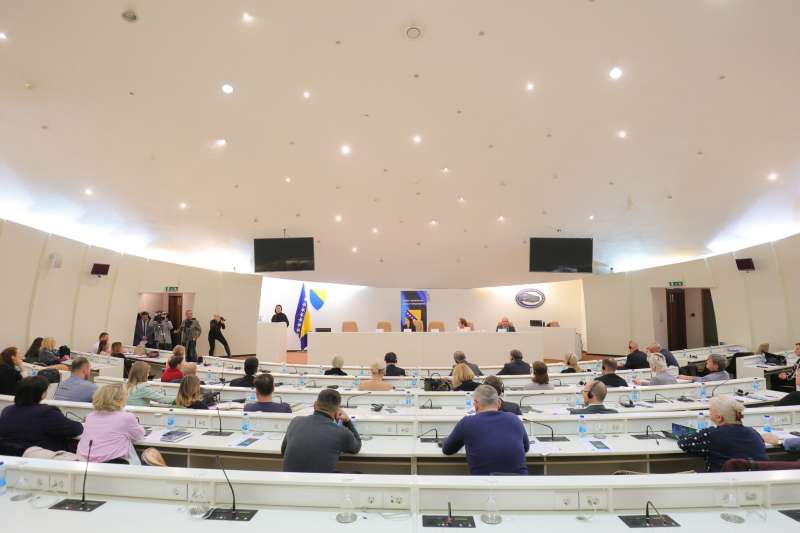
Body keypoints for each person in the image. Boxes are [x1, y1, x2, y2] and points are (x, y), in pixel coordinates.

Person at [441, 385, 530, 475]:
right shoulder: (514, 418)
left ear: (475, 404)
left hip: (485, 482)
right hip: (520, 481)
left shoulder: (467, 423)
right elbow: (526, 448)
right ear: (499, 403)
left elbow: (447, 450)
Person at [677, 395, 768, 472]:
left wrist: (690, 433)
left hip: (723, 482)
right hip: (755, 481)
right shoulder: (753, 432)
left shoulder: (711, 434)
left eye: (710, 410)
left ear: (719, 418)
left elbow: (683, 443)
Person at [281, 388, 361, 473]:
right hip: (320, 481)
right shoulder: (341, 432)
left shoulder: (295, 421)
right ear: (337, 410)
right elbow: (356, 447)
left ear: (315, 404)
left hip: (289, 479)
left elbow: (283, 452)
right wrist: (348, 421)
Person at [0, 376, 83, 453]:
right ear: (42, 394)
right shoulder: (46, 412)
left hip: (12, 458)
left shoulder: (7, 411)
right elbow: (75, 429)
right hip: (45, 457)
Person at [77, 383, 145, 464]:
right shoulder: (127, 417)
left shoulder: (90, 416)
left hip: (84, 461)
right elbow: (139, 436)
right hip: (111, 463)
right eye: (126, 395)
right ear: (119, 400)